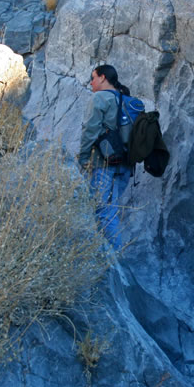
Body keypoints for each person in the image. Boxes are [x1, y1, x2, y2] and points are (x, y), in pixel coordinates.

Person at [77, 64, 132, 250]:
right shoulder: (127, 99)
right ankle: (111, 260)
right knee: (110, 211)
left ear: (102, 77)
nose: (91, 82)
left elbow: (90, 130)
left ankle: (113, 265)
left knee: (104, 213)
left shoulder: (100, 98)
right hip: (126, 166)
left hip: (104, 164)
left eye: (93, 78)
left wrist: (83, 157)